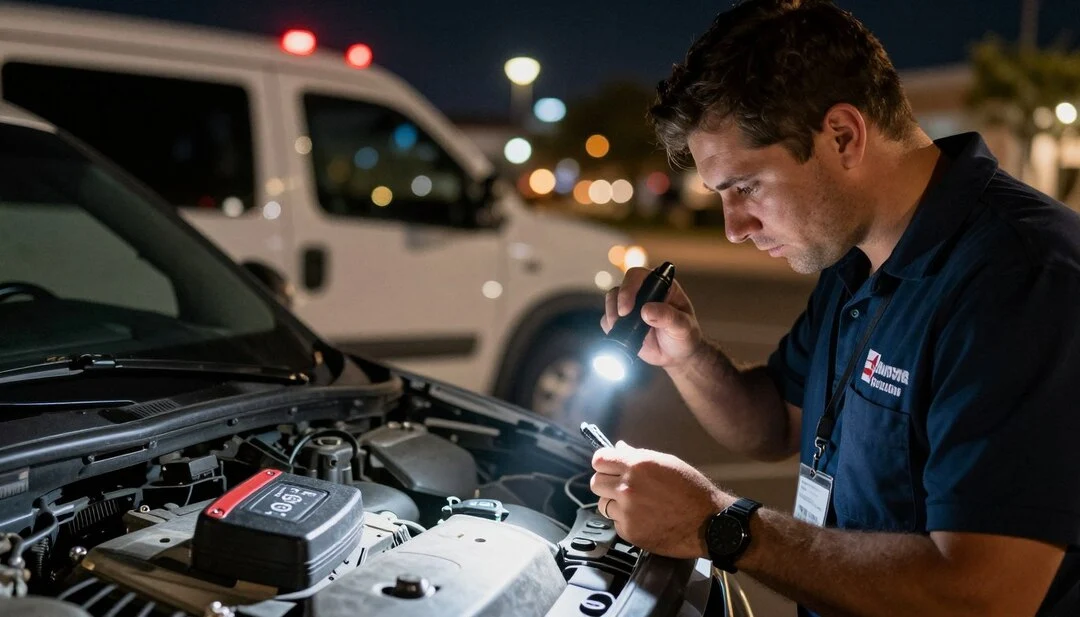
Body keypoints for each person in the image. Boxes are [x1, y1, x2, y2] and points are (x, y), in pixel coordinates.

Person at [590, 1, 1080, 615]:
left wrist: (717, 524)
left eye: (746, 186)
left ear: (843, 136)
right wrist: (685, 354)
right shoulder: (854, 256)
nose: (734, 228)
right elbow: (777, 423)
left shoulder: (1024, 279)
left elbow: (982, 597)